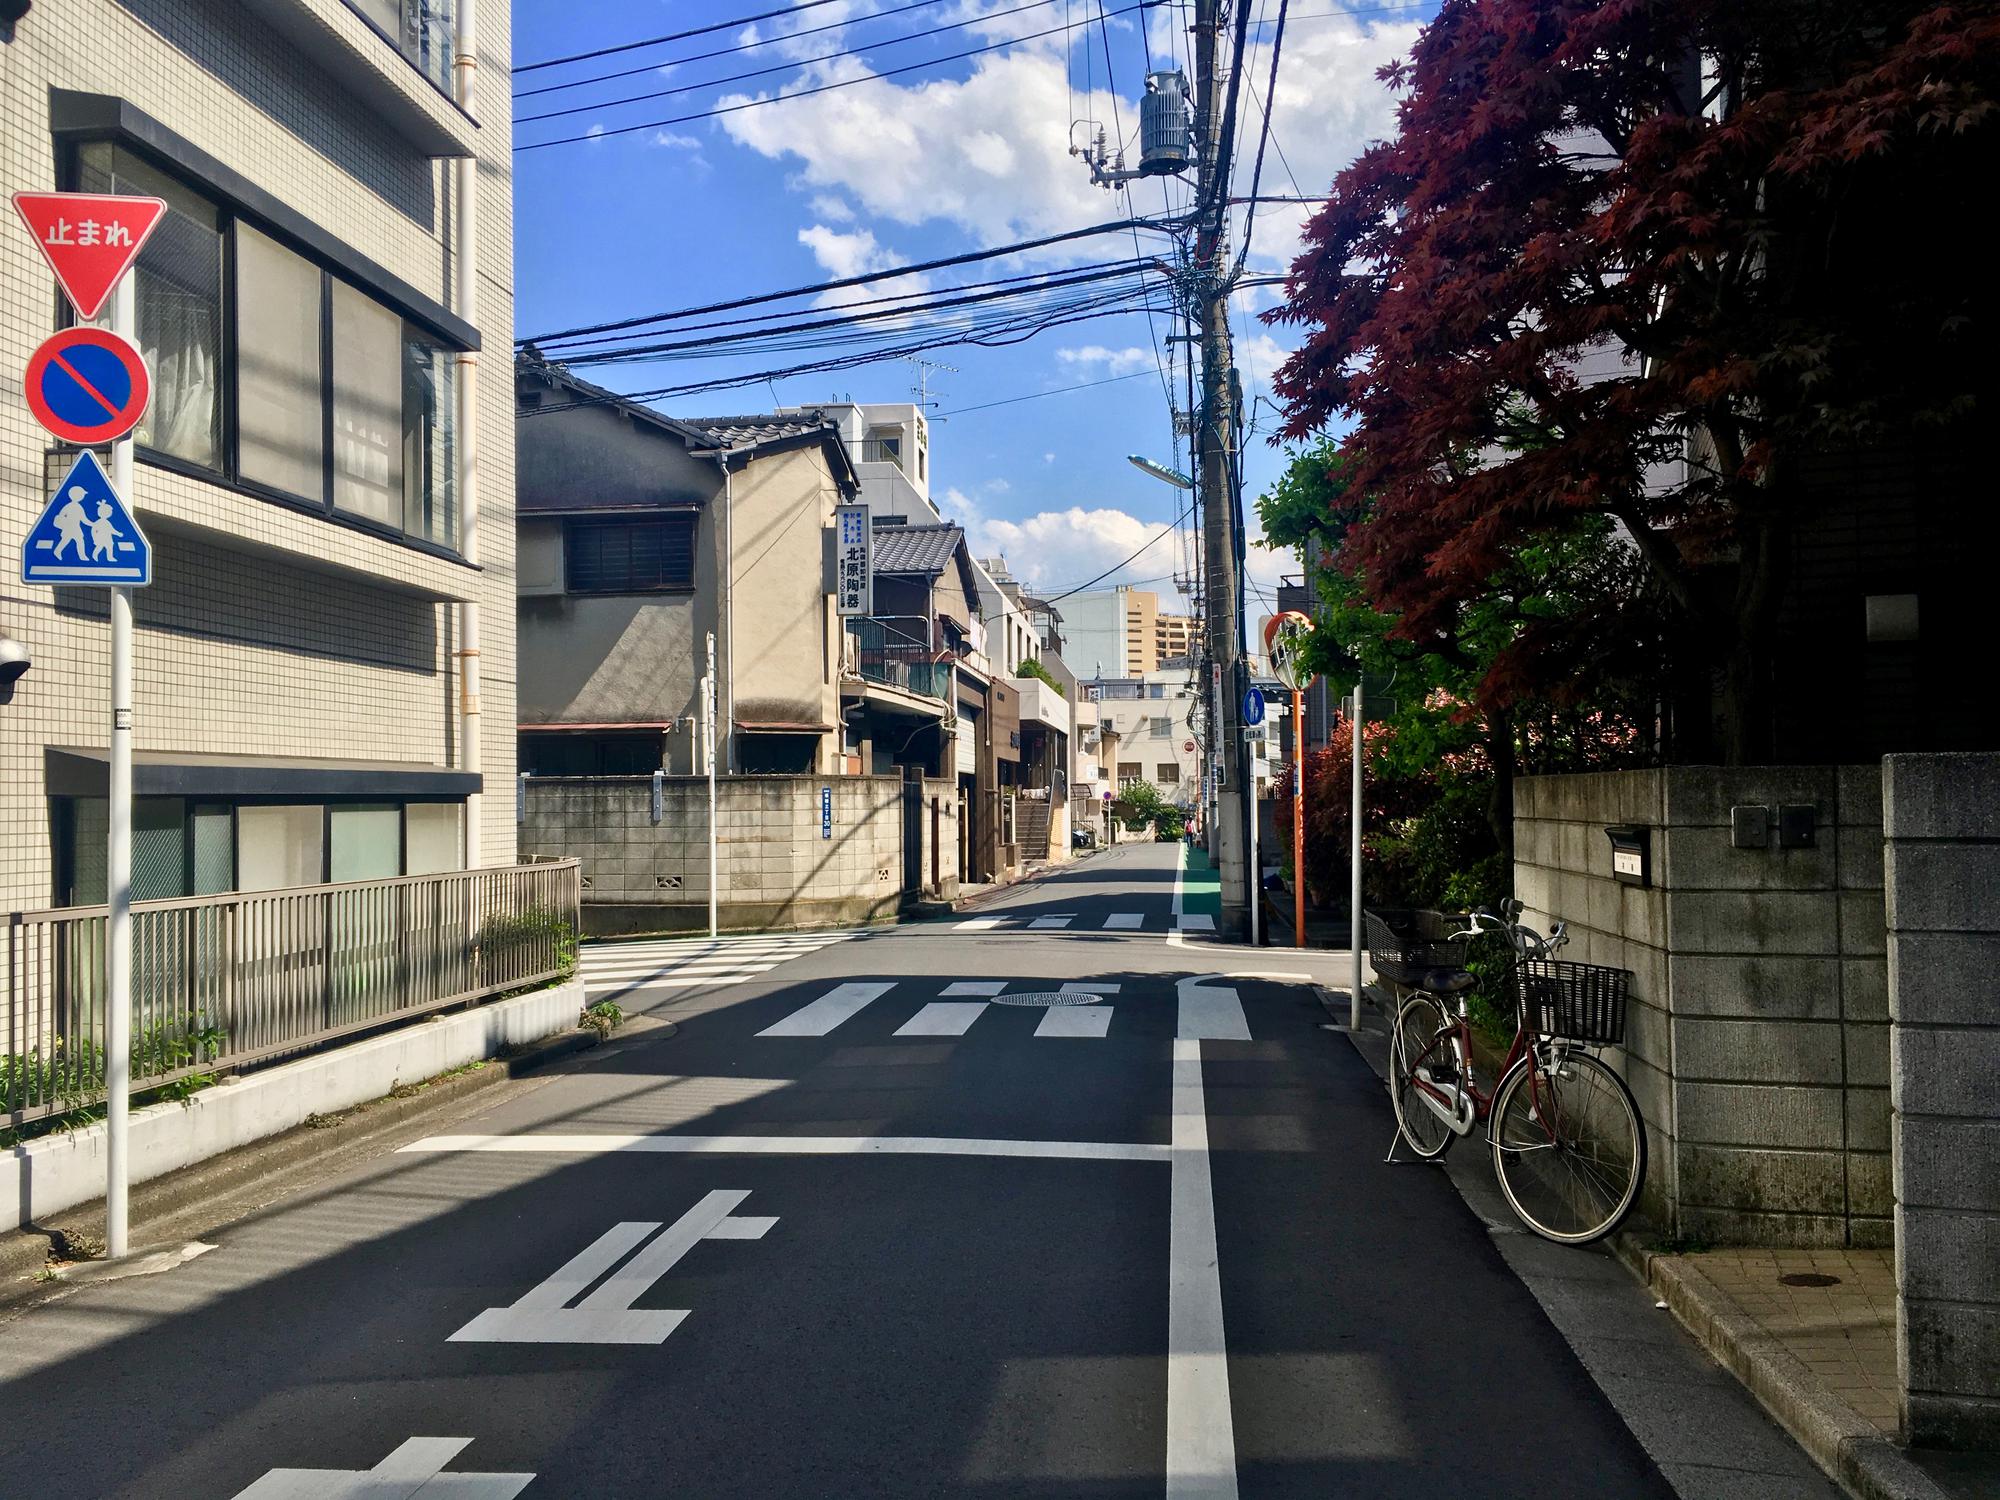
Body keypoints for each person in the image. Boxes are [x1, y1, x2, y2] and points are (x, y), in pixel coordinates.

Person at [51, 489, 87, 560]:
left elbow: (83, 519)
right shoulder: (73, 507)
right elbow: (84, 519)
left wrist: (92, 524)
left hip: (74, 528)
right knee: (73, 540)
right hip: (71, 528)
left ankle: (82, 556)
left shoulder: (75, 506)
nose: (83, 496)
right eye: (82, 494)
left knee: (75, 540)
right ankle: (82, 556)